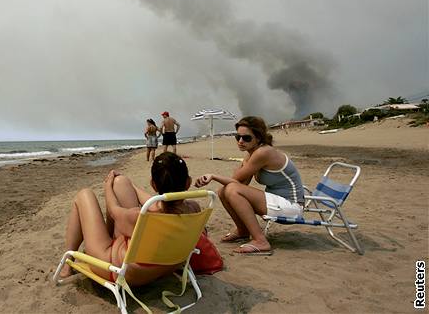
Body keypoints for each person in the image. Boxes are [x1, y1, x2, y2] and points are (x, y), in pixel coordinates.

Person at [58, 152, 203, 286]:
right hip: (162, 269)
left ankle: (67, 265)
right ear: (188, 182)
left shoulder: (140, 217)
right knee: (121, 182)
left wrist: (108, 185)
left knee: (84, 195)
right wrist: (130, 184)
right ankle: (123, 182)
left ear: (153, 184)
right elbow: (161, 205)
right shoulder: (194, 210)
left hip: (121, 272)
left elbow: (113, 209)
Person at [195, 116, 304, 255]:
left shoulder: (263, 152)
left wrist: (213, 176)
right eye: (237, 137)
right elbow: (239, 182)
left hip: (292, 207)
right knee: (224, 191)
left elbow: (235, 184)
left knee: (232, 190)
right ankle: (243, 231)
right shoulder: (253, 153)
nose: (240, 141)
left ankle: (260, 241)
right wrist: (244, 161)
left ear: (258, 138)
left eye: (246, 138)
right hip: (278, 202)